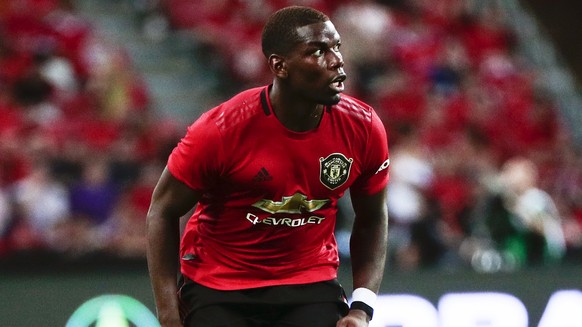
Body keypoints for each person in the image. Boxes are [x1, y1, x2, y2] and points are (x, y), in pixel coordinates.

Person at [146, 6, 390, 327]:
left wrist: (361, 308)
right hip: (219, 285)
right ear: (279, 66)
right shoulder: (221, 129)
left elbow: (372, 219)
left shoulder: (363, 127)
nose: (336, 60)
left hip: (308, 281)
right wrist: (168, 314)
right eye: (317, 51)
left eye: (336, 48)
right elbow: (161, 211)